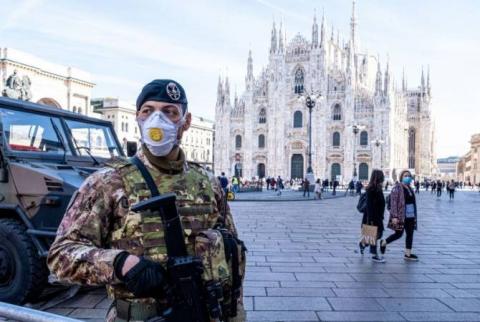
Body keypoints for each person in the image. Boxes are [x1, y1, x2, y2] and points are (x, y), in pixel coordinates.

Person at [47, 79, 246, 321]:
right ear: (138, 118)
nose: (157, 120)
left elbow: (232, 252)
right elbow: (61, 256)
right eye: (148, 111)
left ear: (186, 122)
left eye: (170, 112)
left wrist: (235, 314)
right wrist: (119, 263)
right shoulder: (108, 182)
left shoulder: (208, 183)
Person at [380, 170, 418, 261]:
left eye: (409, 176)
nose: (407, 177)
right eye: (405, 175)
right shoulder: (397, 187)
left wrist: (415, 217)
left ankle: (407, 254)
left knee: (410, 234)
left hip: (411, 215)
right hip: (401, 216)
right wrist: (394, 216)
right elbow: (393, 203)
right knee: (398, 234)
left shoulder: (410, 188)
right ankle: (384, 242)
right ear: (401, 177)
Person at [360, 170, 386, 262]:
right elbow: (369, 206)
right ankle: (374, 255)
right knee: (374, 235)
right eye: (382, 176)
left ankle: (363, 244)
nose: (383, 178)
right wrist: (370, 220)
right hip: (372, 217)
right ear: (378, 177)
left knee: (378, 234)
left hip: (378, 216)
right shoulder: (371, 189)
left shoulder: (378, 188)